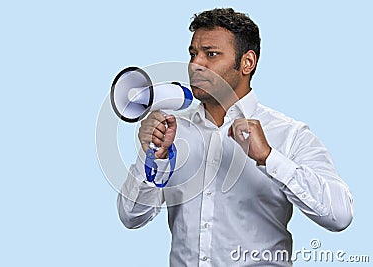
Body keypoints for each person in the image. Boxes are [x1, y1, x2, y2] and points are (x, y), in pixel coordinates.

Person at [117, 8, 353, 266]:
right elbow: (131, 217)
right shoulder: (173, 133)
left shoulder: (289, 135)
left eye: (211, 54)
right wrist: (154, 157)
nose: (196, 64)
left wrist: (269, 157)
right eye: (193, 54)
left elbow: (340, 215)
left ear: (247, 62)